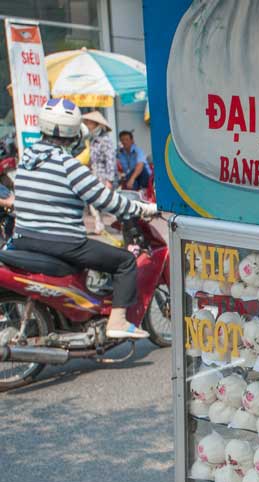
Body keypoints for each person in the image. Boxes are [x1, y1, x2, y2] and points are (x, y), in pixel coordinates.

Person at [12, 98, 156, 338]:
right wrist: (143, 209)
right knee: (123, 261)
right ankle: (117, 322)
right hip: (62, 242)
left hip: (24, 237)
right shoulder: (68, 164)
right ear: (74, 132)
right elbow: (106, 200)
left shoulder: (26, 160)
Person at [81, 110, 116, 234]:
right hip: (94, 175)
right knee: (94, 203)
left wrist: (110, 180)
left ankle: (119, 223)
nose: (88, 126)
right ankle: (99, 225)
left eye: (90, 123)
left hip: (103, 176)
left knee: (107, 203)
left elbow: (110, 160)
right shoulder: (92, 140)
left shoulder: (105, 140)